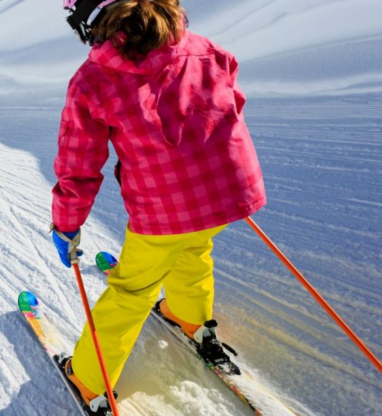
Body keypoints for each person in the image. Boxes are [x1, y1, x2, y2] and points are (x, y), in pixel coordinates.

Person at [50, 0, 266, 412]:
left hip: (164, 211)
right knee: (194, 248)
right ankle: (190, 317)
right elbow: (232, 105)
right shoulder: (205, 48)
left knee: (131, 290)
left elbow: (79, 164)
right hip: (228, 193)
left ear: (93, 23)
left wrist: (66, 224)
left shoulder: (93, 79)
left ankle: (89, 379)